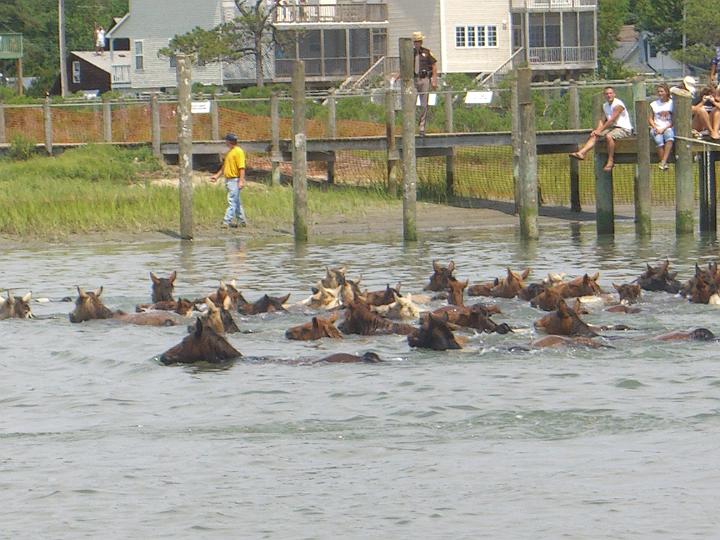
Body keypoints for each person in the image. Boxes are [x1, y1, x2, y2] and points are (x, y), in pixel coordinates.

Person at [569, 86, 633, 172]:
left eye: (610, 93)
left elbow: (612, 120)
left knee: (609, 136)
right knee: (594, 135)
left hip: (624, 128)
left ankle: (610, 160)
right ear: (604, 95)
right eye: (607, 94)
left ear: (614, 94)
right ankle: (582, 153)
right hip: (612, 127)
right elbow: (602, 120)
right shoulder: (605, 106)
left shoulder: (618, 105)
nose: (609, 95)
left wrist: (600, 130)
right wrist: (597, 131)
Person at [210, 133, 248, 228]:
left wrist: (241, 181)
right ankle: (242, 221)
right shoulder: (230, 152)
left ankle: (226, 221)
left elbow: (241, 167)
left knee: (232, 201)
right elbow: (224, 167)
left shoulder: (238, 152)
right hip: (229, 180)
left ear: (229, 141)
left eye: (226, 140)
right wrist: (217, 176)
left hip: (235, 180)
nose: (225, 142)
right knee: (236, 201)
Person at [412, 31, 437, 137]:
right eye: (416, 41)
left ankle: (421, 127)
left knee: (423, 105)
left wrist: (434, 79)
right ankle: (410, 127)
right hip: (413, 80)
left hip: (424, 79)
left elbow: (434, 64)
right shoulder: (409, 53)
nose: (418, 43)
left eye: (419, 41)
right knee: (410, 103)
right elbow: (404, 66)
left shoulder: (427, 52)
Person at [648, 83, 674, 171]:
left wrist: (664, 128)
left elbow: (674, 120)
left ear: (666, 92)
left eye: (662, 91)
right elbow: (650, 118)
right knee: (658, 140)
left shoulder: (672, 103)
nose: (660, 93)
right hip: (657, 127)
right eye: (658, 91)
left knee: (669, 136)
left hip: (668, 126)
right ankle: (664, 163)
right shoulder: (653, 104)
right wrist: (654, 127)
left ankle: (663, 161)